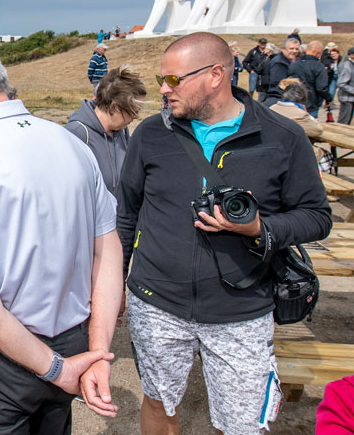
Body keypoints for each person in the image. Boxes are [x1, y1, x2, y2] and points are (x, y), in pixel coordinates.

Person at [117, 32, 331, 435]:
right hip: (156, 302)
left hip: (242, 310)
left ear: (216, 75)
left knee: (243, 426)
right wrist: (114, 288)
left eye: (174, 80)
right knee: (160, 402)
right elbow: (126, 215)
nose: (163, 90)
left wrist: (259, 228)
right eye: (163, 79)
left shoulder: (283, 137)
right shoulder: (150, 134)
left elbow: (317, 217)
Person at [0, 31, 122, 434]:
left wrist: (57, 370)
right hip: (73, 339)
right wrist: (96, 352)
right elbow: (108, 252)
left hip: (4, 360)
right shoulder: (71, 144)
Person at [67, 67, 147, 195]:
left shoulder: (122, 131)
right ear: (114, 107)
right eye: (134, 111)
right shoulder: (77, 134)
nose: (136, 117)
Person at [288, 40, 330, 118]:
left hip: (294, 101)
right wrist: (329, 98)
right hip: (311, 103)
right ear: (319, 52)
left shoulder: (294, 64)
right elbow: (321, 87)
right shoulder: (318, 66)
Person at [264, 37, 301, 103]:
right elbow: (277, 84)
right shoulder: (279, 63)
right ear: (283, 49)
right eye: (291, 48)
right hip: (279, 100)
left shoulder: (289, 61)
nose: (294, 51)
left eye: (296, 49)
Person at [335, 47, 354, 125]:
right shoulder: (347, 66)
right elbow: (341, 83)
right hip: (347, 99)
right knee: (343, 122)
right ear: (352, 55)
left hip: (351, 98)